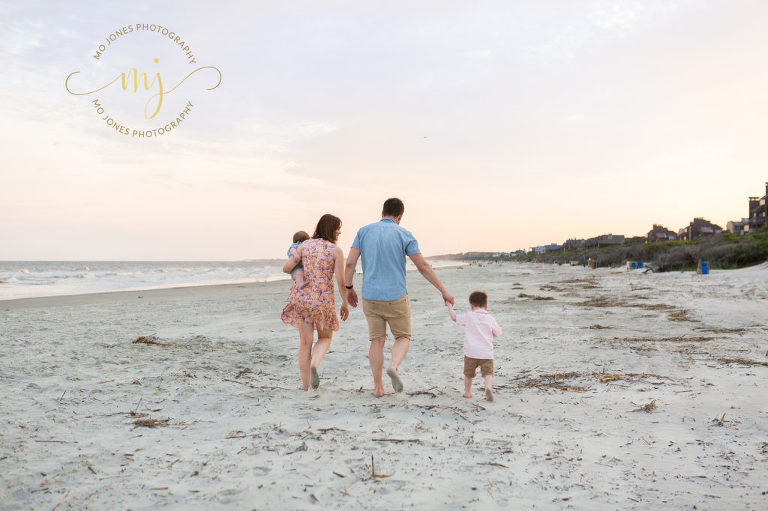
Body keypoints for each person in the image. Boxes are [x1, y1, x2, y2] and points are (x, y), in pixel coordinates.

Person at [345, 198, 454, 397]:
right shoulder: (404, 234)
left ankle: (378, 388)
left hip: (370, 296)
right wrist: (443, 290)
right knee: (403, 337)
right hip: (396, 296)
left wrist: (348, 287)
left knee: (376, 340)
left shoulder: (363, 231)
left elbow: (350, 263)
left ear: (382, 211)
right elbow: (423, 267)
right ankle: (393, 367)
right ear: (400, 216)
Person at [281, 214, 349, 391]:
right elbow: (341, 281)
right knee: (325, 337)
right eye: (337, 228)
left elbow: (286, 268)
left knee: (305, 343)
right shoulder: (335, 250)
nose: (339, 231)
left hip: (302, 298)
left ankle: (305, 386)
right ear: (330, 229)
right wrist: (344, 303)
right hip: (322, 300)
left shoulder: (305, 245)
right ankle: (315, 364)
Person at [447, 291, 502, 402]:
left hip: (471, 352)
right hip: (486, 353)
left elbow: (454, 317)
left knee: (468, 374)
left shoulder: (469, 316)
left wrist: (449, 306)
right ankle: (488, 388)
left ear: (471, 305)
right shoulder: (490, 318)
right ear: (486, 306)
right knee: (488, 373)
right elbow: (498, 333)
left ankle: (467, 393)